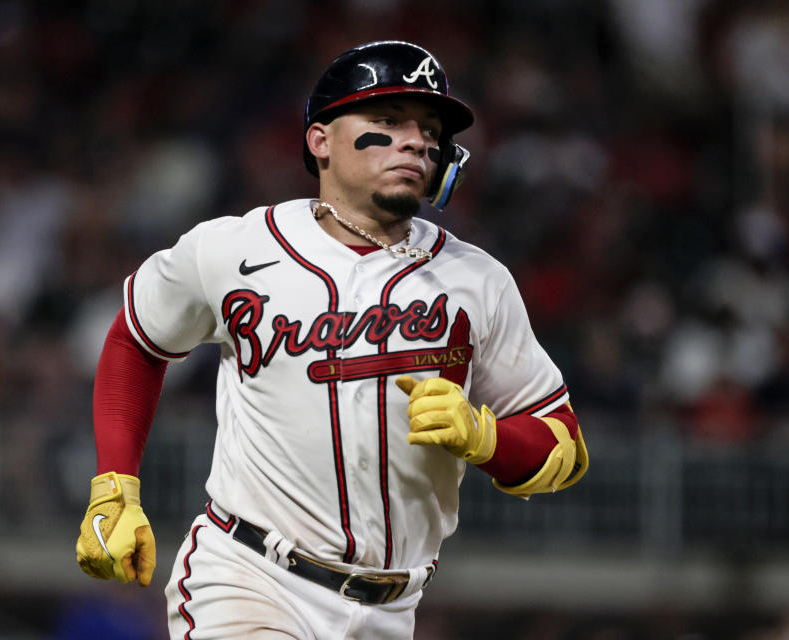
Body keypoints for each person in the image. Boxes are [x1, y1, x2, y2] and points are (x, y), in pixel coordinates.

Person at [75, 40, 588, 640]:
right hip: (250, 576)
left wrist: (487, 437)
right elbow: (138, 338)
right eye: (387, 121)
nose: (416, 141)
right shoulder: (234, 248)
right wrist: (115, 483)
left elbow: (565, 446)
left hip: (394, 607)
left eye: (428, 128)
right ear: (321, 140)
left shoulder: (478, 280)